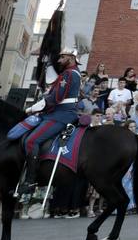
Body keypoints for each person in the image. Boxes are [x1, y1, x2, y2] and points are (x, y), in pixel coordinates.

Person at [8, 47, 84, 178]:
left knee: (31, 141)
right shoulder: (73, 72)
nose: (59, 60)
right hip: (58, 113)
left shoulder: (69, 74)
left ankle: (30, 179)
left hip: (60, 115)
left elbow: (56, 98)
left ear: (71, 58)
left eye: (62, 57)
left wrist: (30, 109)